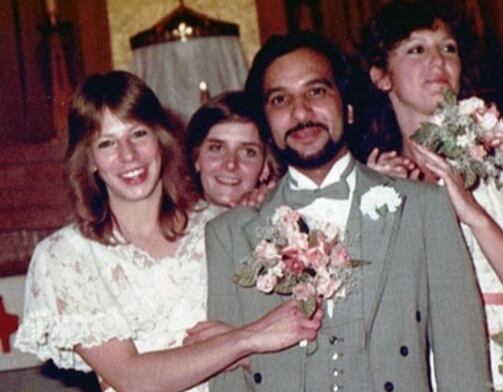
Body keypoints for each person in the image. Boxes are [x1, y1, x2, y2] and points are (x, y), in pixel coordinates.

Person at [204, 31, 492, 391]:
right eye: (280, 100)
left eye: (316, 91)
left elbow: (462, 362)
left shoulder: (421, 208)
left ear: (349, 107)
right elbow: (230, 381)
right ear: (265, 125)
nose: (301, 112)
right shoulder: (231, 234)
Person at [14, 71, 323, 392]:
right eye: (107, 143)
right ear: (89, 159)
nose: (128, 155)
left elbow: (297, 340)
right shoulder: (65, 257)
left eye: (138, 134)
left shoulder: (220, 225)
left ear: (161, 139)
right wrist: (247, 339)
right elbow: (132, 379)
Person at [357, 0, 503, 389]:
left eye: (448, 48)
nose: (438, 61)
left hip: (502, 360)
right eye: (416, 49)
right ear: (381, 76)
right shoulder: (369, 181)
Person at [185, 90, 279, 211]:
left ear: (265, 167)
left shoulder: (284, 221)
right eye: (217, 148)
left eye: (248, 152)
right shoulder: (168, 225)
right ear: (196, 158)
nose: (231, 164)